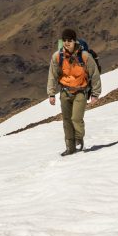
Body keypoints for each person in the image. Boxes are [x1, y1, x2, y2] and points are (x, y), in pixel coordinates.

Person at [47, 28, 101, 156]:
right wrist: (51, 93)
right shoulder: (58, 56)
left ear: (74, 41)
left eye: (69, 40)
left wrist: (95, 94)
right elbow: (52, 75)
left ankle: (78, 139)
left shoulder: (85, 56)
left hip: (80, 92)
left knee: (76, 118)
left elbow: (94, 75)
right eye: (65, 40)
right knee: (66, 120)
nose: (67, 43)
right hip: (65, 92)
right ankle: (70, 148)